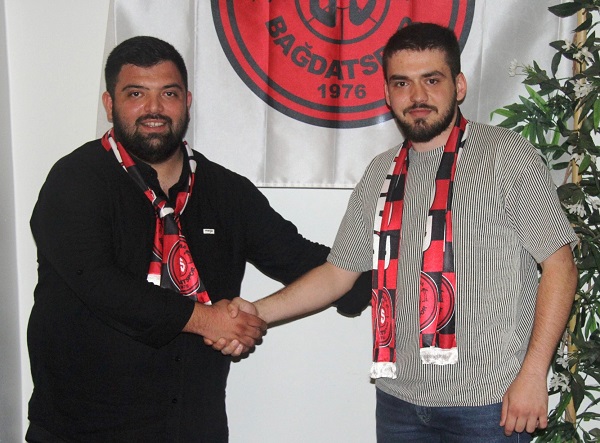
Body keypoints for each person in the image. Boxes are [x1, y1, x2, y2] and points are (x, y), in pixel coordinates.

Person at [217, 23, 579, 442]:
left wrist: (533, 374)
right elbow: (337, 274)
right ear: (388, 94)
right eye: (402, 83)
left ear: (459, 86)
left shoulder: (505, 155)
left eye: (432, 80)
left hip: (489, 403)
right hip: (399, 403)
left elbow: (560, 266)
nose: (417, 96)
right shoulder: (380, 172)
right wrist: (254, 313)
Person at [25, 35, 366, 443]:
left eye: (168, 93)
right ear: (109, 104)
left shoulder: (226, 192)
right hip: (81, 429)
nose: (154, 108)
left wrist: (382, 272)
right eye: (136, 94)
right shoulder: (75, 180)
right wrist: (208, 320)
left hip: (192, 427)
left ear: (187, 102)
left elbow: (307, 261)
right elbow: (100, 284)